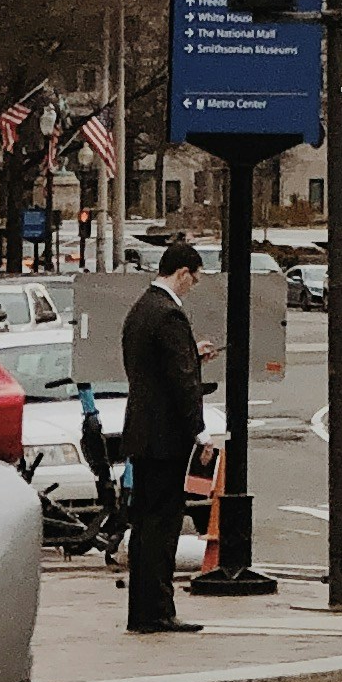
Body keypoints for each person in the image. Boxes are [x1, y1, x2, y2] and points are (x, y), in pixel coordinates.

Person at [121, 239, 214, 635]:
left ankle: (141, 610)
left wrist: (191, 353)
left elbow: (157, 367)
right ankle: (158, 610)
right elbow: (181, 382)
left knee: (144, 526)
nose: (192, 286)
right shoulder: (170, 316)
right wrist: (200, 432)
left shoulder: (142, 308)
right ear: (182, 273)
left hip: (141, 431)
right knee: (163, 526)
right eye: (193, 279)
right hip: (165, 439)